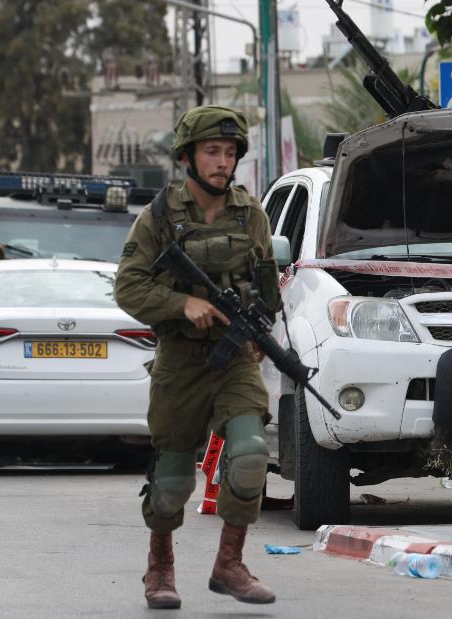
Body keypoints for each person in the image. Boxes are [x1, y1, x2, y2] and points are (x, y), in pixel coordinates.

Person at [114, 106, 281, 609]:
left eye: (230, 153)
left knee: (251, 454)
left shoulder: (251, 215)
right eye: (212, 151)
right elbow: (128, 285)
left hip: (234, 361)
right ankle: (159, 568)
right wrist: (181, 304)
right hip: (180, 362)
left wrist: (258, 326)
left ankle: (230, 564)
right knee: (172, 480)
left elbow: (268, 287)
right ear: (187, 156)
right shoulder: (159, 216)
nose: (222, 162)